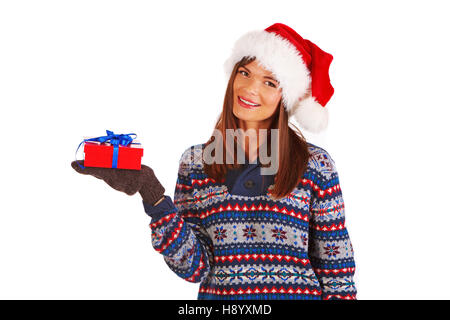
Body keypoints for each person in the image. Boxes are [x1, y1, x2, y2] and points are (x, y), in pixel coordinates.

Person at [72, 23, 357, 300]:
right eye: (244, 73)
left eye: (269, 82)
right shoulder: (196, 162)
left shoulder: (315, 165)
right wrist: (153, 195)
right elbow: (194, 267)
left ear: (286, 97)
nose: (250, 88)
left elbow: (338, 275)